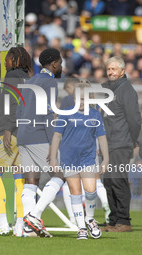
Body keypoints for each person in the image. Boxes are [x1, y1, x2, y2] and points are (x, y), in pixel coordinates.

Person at [50, 82, 109, 240]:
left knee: (91, 191)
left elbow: (101, 138)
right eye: (78, 98)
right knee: (75, 193)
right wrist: (54, 157)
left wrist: (106, 159)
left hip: (88, 158)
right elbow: (57, 136)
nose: (81, 102)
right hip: (69, 159)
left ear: (90, 98)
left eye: (84, 98)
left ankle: (89, 219)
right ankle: (81, 228)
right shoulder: (65, 113)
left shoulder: (95, 114)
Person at [0, 47, 32, 236]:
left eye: (8, 59)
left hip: (8, 134)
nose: (5, 62)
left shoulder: (11, 78)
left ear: (14, 59)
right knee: (20, 179)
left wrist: (7, 129)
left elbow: (11, 107)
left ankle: (2, 222)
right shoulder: (30, 79)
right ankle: (20, 225)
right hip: (27, 135)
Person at [17, 48, 64, 238]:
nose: (61, 66)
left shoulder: (30, 81)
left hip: (23, 136)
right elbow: (47, 113)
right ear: (54, 64)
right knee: (60, 174)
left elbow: (19, 112)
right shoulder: (50, 82)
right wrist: (53, 143)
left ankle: (27, 229)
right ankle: (34, 216)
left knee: (31, 181)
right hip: (38, 135)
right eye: (60, 63)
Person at [101, 56, 141, 232]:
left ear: (122, 71)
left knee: (118, 180)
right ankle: (114, 219)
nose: (110, 72)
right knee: (108, 182)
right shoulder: (107, 90)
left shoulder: (127, 91)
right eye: (108, 69)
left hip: (121, 143)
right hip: (108, 144)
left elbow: (134, 121)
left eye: (113, 69)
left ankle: (124, 221)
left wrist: (131, 142)